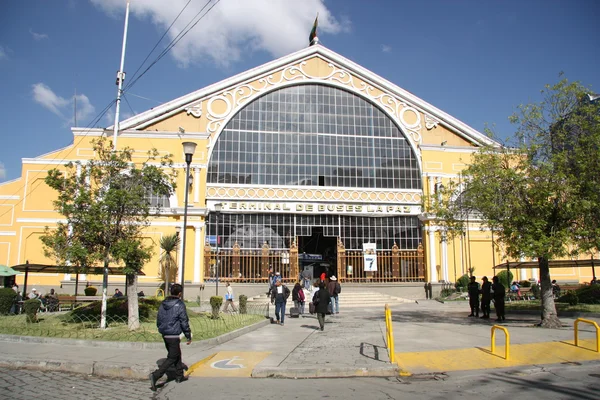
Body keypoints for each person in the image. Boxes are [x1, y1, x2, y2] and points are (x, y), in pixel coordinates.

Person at [149, 283, 192, 391]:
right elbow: (184, 321)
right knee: (172, 357)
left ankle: (179, 376)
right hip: (173, 334)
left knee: (177, 354)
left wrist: (161, 328)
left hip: (165, 333)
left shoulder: (163, 303)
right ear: (180, 293)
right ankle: (156, 375)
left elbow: (159, 318)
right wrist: (188, 335)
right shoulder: (180, 304)